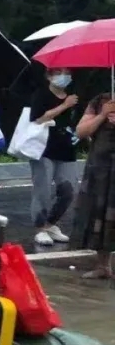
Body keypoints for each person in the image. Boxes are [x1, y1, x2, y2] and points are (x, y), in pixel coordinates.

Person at [28, 67, 80, 246]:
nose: (63, 76)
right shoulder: (41, 95)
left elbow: (76, 121)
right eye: (58, 73)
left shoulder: (73, 97)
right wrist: (64, 105)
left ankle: (51, 223)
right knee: (42, 190)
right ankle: (40, 228)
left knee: (68, 191)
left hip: (66, 149)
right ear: (49, 76)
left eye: (67, 73)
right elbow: (38, 119)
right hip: (44, 148)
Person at [70, 93, 115, 279]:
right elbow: (81, 131)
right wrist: (102, 115)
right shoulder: (101, 101)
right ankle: (103, 265)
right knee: (100, 215)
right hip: (101, 168)